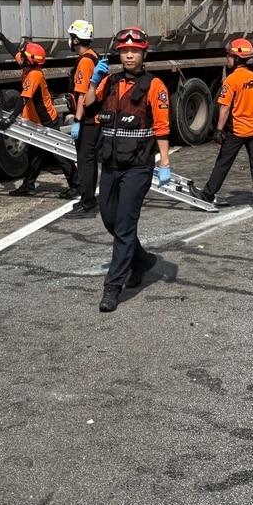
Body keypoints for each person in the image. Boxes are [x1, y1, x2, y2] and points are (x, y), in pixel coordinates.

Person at [83, 26, 171, 313]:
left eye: (134, 51)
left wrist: (165, 162)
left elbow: (161, 126)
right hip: (109, 165)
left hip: (138, 168)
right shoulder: (108, 81)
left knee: (124, 225)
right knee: (109, 219)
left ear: (143, 53)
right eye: (125, 51)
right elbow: (87, 106)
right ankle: (142, 261)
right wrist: (94, 82)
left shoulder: (154, 86)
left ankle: (112, 287)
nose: (129, 55)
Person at [194, 38, 253, 214]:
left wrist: (219, 130)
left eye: (228, 56)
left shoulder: (231, 80)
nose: (226, 59)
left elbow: (225, 107)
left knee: (223, 162)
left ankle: (207, 193)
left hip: (237, 131)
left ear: (236, 58)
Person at [6, 40, 78, 197]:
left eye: (24, 55)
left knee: (58, 152)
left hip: (46, 121)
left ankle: (76, 185)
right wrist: (1, 36)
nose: (20, 56)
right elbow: (15, 53)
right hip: (35, 120)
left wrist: (10, 118)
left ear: (30, 59)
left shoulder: (34, 75)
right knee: (34, 153)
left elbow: (23, 98)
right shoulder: (28, 65)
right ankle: (28, 185)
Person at [63, 19, 103, 219]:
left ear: (77, 40)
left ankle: (88, 203)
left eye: (71, 38)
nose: (70, 42)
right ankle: (87, 200)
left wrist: (77, 121)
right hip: (93, 117)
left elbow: (81, 94)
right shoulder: (92, 57)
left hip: (88, 119)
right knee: (88, 160)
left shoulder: (85, 61)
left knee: (85, 161)